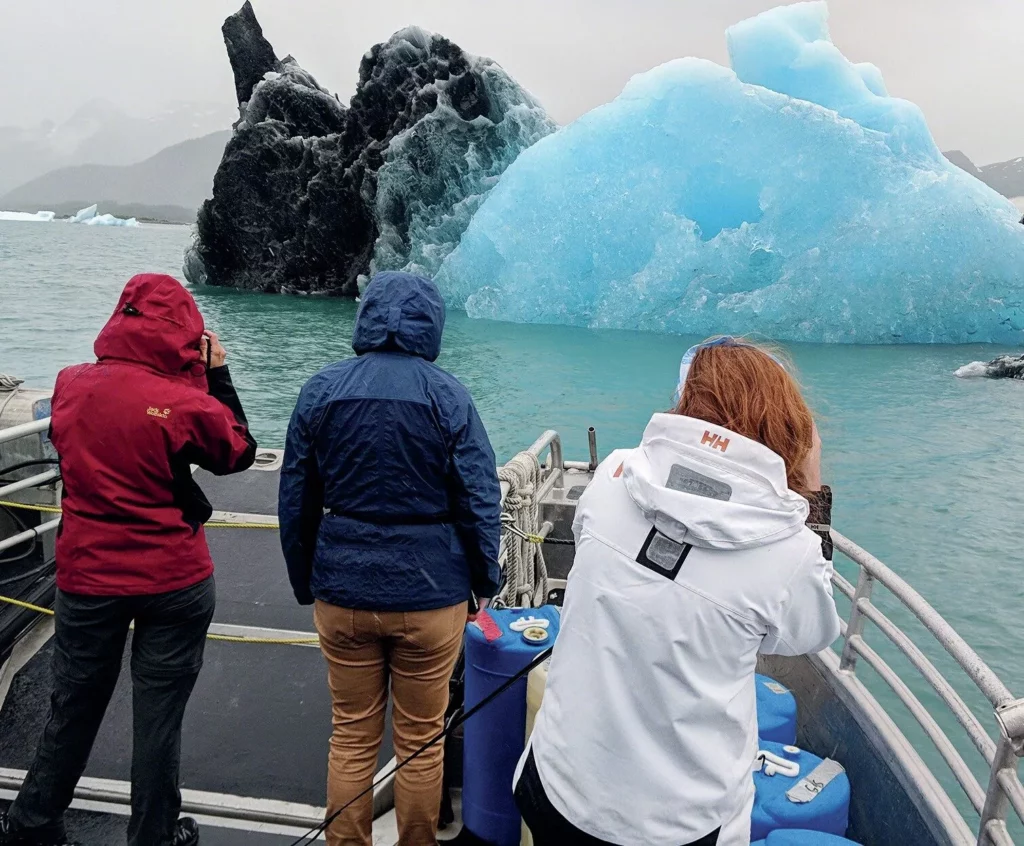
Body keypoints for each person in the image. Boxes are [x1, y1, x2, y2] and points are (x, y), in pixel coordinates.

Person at [514, 336, 842, 846]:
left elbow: (598, 548)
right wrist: (811, 495)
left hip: (557, 783)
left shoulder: (614, 476)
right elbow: (810, 634)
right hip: (674, 824)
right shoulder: (788, 550)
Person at [0, 274, 257, 846]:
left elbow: (116, 417)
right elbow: (237, 450)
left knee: (73, 703)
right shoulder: (188, 403)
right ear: (186, 333)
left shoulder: (70, 383)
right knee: (159, 716)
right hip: (174, 577)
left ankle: (33, 821)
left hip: (88, 574)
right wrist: (213, 373)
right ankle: (153, 834)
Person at [279, 271, 502, 846]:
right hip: (431, 594)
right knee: (420, 741)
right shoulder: (449, 396)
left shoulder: (320, 390)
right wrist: (485, 580)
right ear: (431, 324)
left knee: (351, 736)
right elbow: (479, 498)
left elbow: (296, 499)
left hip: (342, 592)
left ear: (366, 317)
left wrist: (307, 581)